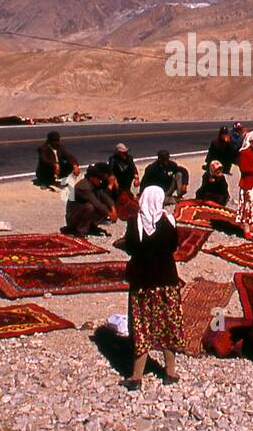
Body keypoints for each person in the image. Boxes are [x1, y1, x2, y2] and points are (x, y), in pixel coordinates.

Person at [122, 185, 183, 390]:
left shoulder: (134, 223)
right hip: (166, 281)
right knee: (168, 325)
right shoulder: (169, 222)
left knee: (141, 327)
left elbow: (130, 247)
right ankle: (170, 372)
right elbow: (174, 246)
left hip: (142, 282)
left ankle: (136, 376)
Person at [65, 167, 115, 237]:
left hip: (78, 213)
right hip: (72, 217)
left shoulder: (94, 185)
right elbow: (96, 204)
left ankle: (91, 226)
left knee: (105, 206)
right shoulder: (84, 187)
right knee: (90, 207)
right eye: (99, 179)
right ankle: (80, 231)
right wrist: (109, 214)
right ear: (92, 178)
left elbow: (105, 197)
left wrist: (112, 208)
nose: (100, 181)